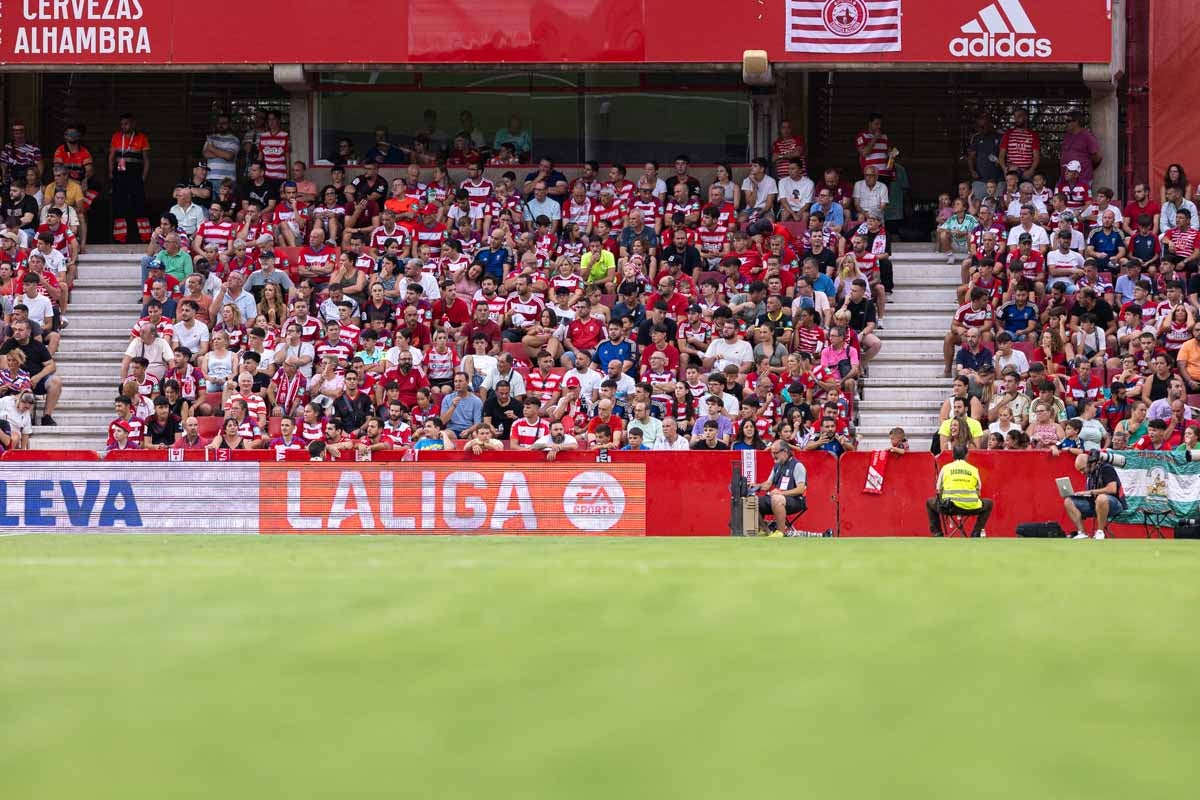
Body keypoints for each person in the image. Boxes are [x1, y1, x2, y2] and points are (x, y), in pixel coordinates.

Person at [926, 443, 993, 537]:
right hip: (971, 507)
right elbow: (979, 491)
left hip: (949, 507)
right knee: (989, 503)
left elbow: (938, 490)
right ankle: (976, 532)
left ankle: (937, 533)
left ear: (952, 455)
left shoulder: (946, 468)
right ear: (967, 455)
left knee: (929, 502)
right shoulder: (974, 469)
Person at [108, 113, 151, 243]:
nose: (123, 126)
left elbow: (146, 160)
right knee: (119, 205)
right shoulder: (116, 136)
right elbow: (111, 157)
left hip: (136, 175)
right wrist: (111, 173)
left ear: (133, 124)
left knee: (139, 205)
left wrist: (143, 176)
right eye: (121, 124)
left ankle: (145, 237)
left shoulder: (142, 137)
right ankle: (120, 237)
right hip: (119, 176)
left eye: (126, 124)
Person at [1063, 451, 1126, 539]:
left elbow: (1112, 489)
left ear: (1090, 463)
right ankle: (1082, 533)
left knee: (1101, 498)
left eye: (1082, 469)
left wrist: (1090, 492)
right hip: (1095, 503)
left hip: (1114, 504)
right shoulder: (1090, 473)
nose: (1082, 473)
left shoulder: (1106, 468)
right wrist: (1081, 495)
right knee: (1068, 501)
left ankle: (1100, 532)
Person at [754, 439, 808, 537]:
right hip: (777, 498)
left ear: (785, 451)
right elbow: (767, 485)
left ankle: (780, 532)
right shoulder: (776, 466)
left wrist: (781, 493)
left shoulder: (797, 466)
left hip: (796, 500)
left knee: (776, 498)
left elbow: (800, 489)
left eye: (776, 453)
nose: (773, 456)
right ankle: (765, 530)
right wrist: (755, 485)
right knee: (752, 501)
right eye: (772, 453)